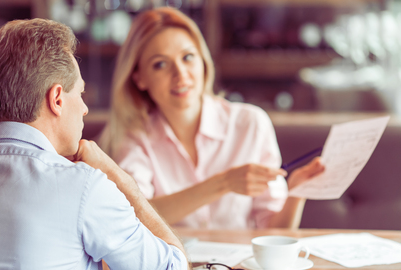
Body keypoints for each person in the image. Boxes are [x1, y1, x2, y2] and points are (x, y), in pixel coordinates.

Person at [0, 18, 194, 270]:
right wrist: (119, 179)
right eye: (80, 93)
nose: (85, 108)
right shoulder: (84, 187)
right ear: (57, 99)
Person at [100, 7, 324, 230]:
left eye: (188, 57)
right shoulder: (133, 135)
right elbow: (136, 217)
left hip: (238, 265)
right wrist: (224, 183)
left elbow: (274, 232)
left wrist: (296, 193)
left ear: (203, 61)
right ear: (139, 78)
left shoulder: (250, 124)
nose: (180, 74)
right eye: (160, 64)